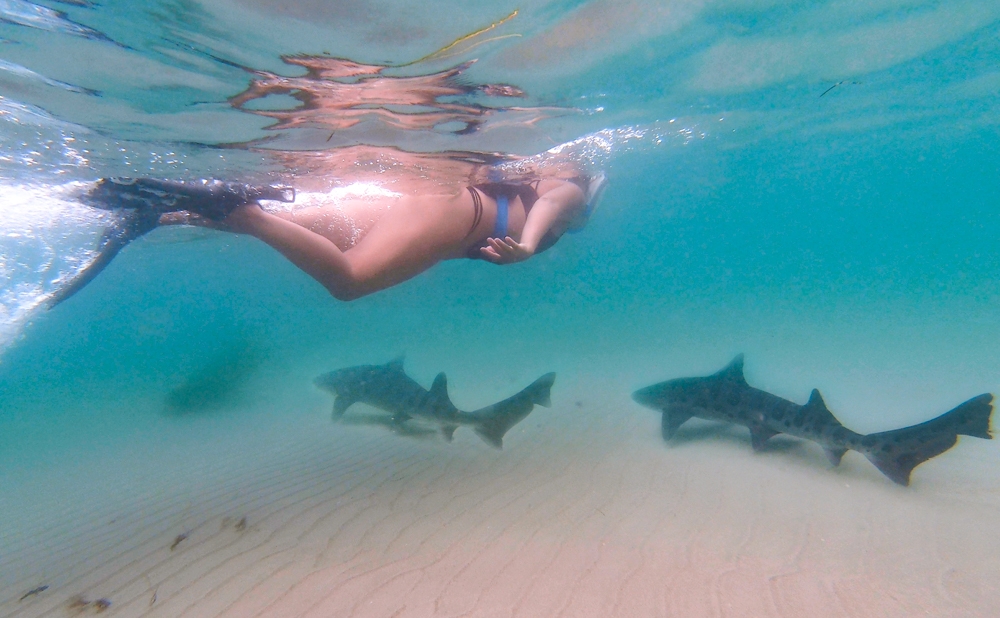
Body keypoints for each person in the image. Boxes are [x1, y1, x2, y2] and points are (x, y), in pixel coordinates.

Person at [56, 166, 607, 305]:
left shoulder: (543, 182)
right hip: (451, 215)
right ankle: (238, 210)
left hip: (429, 202)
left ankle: (159, 211)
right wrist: (530, 248)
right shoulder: (573, 197)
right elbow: (554, 206)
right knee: (348, 282)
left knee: (290, 224)